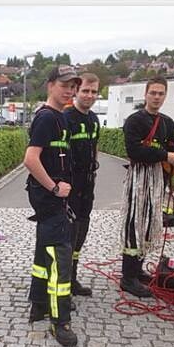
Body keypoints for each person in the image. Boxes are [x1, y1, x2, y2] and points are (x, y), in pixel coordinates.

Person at [119, 76, 174, 297]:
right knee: (134, 224)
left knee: (148, 224)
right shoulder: (134, 121)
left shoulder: (167, 123)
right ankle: (127, 277)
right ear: (145, 94)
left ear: (165, 96)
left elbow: (173, 145)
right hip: (139, 180)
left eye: (161, 93)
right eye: (153, 93)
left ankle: (137, 269)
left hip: (157, 180)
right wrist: (165, 155)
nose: (156, 97)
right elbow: (134, 150)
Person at [24, 65, 81, 347]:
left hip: (51, 200)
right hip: (50, 199)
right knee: (60, 260)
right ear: (50, 85)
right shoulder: (47, 118)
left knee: (44, 252)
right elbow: (30, 159)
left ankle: (39, 304)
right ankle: (60, 321)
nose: (69, 91)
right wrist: (54, 188)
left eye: (73, 86)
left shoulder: (60, 117)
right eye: (64, 85)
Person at [64, 72, 101, 297]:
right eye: (85, 90)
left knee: (80, 234)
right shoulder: (66, 117)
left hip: (87, 186)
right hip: (69, 187)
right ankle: (61, 285)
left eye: (94, 91)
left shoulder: (94, 120)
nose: (89, 95)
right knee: (67, 236)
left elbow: (95, 148)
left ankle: (72, 278)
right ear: (76, 92)